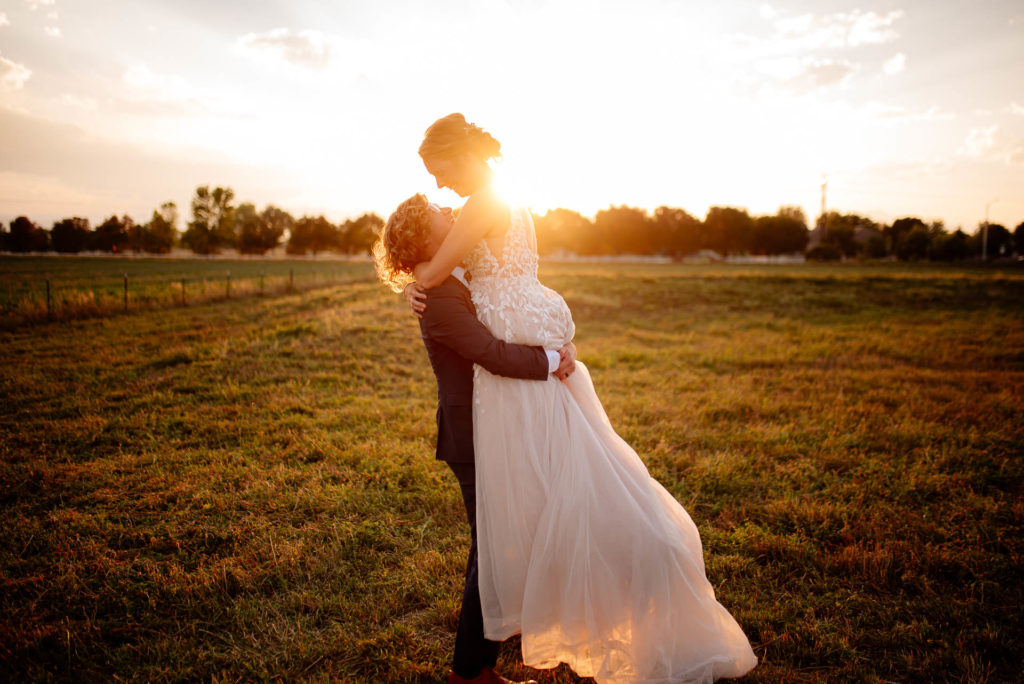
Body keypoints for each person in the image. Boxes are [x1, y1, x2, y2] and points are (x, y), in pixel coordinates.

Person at [388, 113, 758, 683]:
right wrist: (418, 282)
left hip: (514, 402)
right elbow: (453, 292)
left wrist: (420, 278)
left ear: (458, 156)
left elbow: (440, 269)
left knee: (521, 532)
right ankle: (475, 670)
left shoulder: (480, 212)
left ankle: (489, 660)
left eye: (439, 172)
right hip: (492, 411)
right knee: (500, 542)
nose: (439, 188)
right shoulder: (474, 234)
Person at [374, 194, 576, 684]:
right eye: (441, 214)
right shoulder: (439, 292)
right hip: (471, 435)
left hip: (496, 425)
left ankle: (478, 666)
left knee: (495, 544)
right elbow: (489, 351)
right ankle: (469, 673)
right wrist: (553, 363)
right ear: (425, 237)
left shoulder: (451, 276)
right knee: (491, 550)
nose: (453, 212)